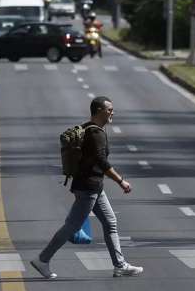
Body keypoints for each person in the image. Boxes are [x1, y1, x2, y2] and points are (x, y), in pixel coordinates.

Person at [31, 97, 143, 279]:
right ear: (99, 111)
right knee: (72, 226)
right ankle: (42, 259)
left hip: (92, 186)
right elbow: (101, 161)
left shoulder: (87, 128)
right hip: (88, 187)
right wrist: (121, 181)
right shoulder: (96, 134)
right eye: (109, 109)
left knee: (110, 222)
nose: (112, 113)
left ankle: (120, 265)